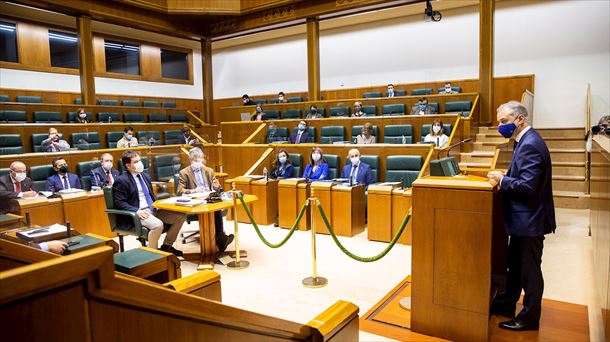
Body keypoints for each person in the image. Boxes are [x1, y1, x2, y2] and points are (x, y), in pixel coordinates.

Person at [487, 101, 556, 332]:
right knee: (515, 266)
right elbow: (526, 175)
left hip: (530, 220)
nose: (500, 126)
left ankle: (529, 318)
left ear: (520, 119)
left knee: (529, 272)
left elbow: (528, 187)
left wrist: (503, 179)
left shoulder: (530, 144)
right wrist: (508, 174)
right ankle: (507, 304)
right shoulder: (523, 141)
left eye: (504, 121)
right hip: (522, 219)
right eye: (499, 122)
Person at [113, 150, 186, 256]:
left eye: (140, 160)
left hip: (154, 209)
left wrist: (164, 204)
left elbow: (151, 196)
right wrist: (136, 211)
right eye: (136, 161)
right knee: (157, 225)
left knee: (180, 216)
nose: (140, 163)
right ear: (128, 165)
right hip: (139, 213)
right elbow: (119, 202)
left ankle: (166, 246)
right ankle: (152, 255)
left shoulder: (145, 176)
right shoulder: (122, 180)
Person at [176, 148, 234, 252]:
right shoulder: (184, 173)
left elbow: (218, 189)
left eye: (201, 159)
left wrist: (217, 187)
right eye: (197, 160)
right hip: (195, 201)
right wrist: (193, 191)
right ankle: (220, 239)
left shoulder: (209, 170)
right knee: (215, 210)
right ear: (191, 159)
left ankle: (219, 238)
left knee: (215, 206)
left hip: (209, 198)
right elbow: (180, 191)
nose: (199, 162)